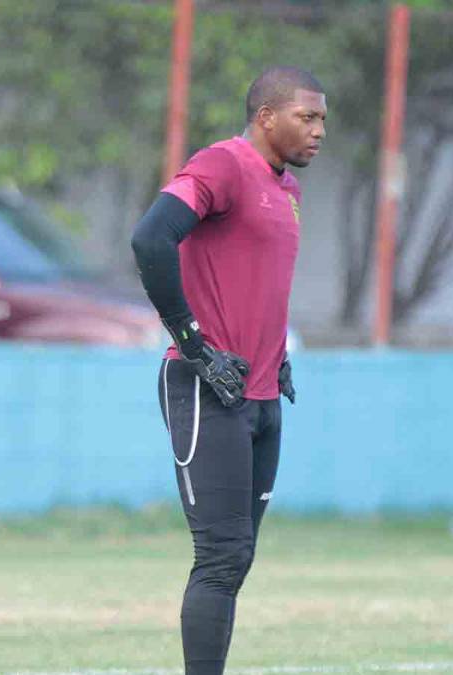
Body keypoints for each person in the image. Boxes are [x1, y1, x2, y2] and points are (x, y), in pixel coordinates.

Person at [130, 66, 326, 674]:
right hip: (205, 388)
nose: (319, 130)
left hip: (261, 395)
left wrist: (277, 354)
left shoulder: (288, 191)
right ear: (266, 117)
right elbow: (151, 238)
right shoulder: (222, 165)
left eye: (323, 119)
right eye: (307, 117)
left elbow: (252, 282)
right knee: (220, 556)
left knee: (237, 557)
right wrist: (193, 343)